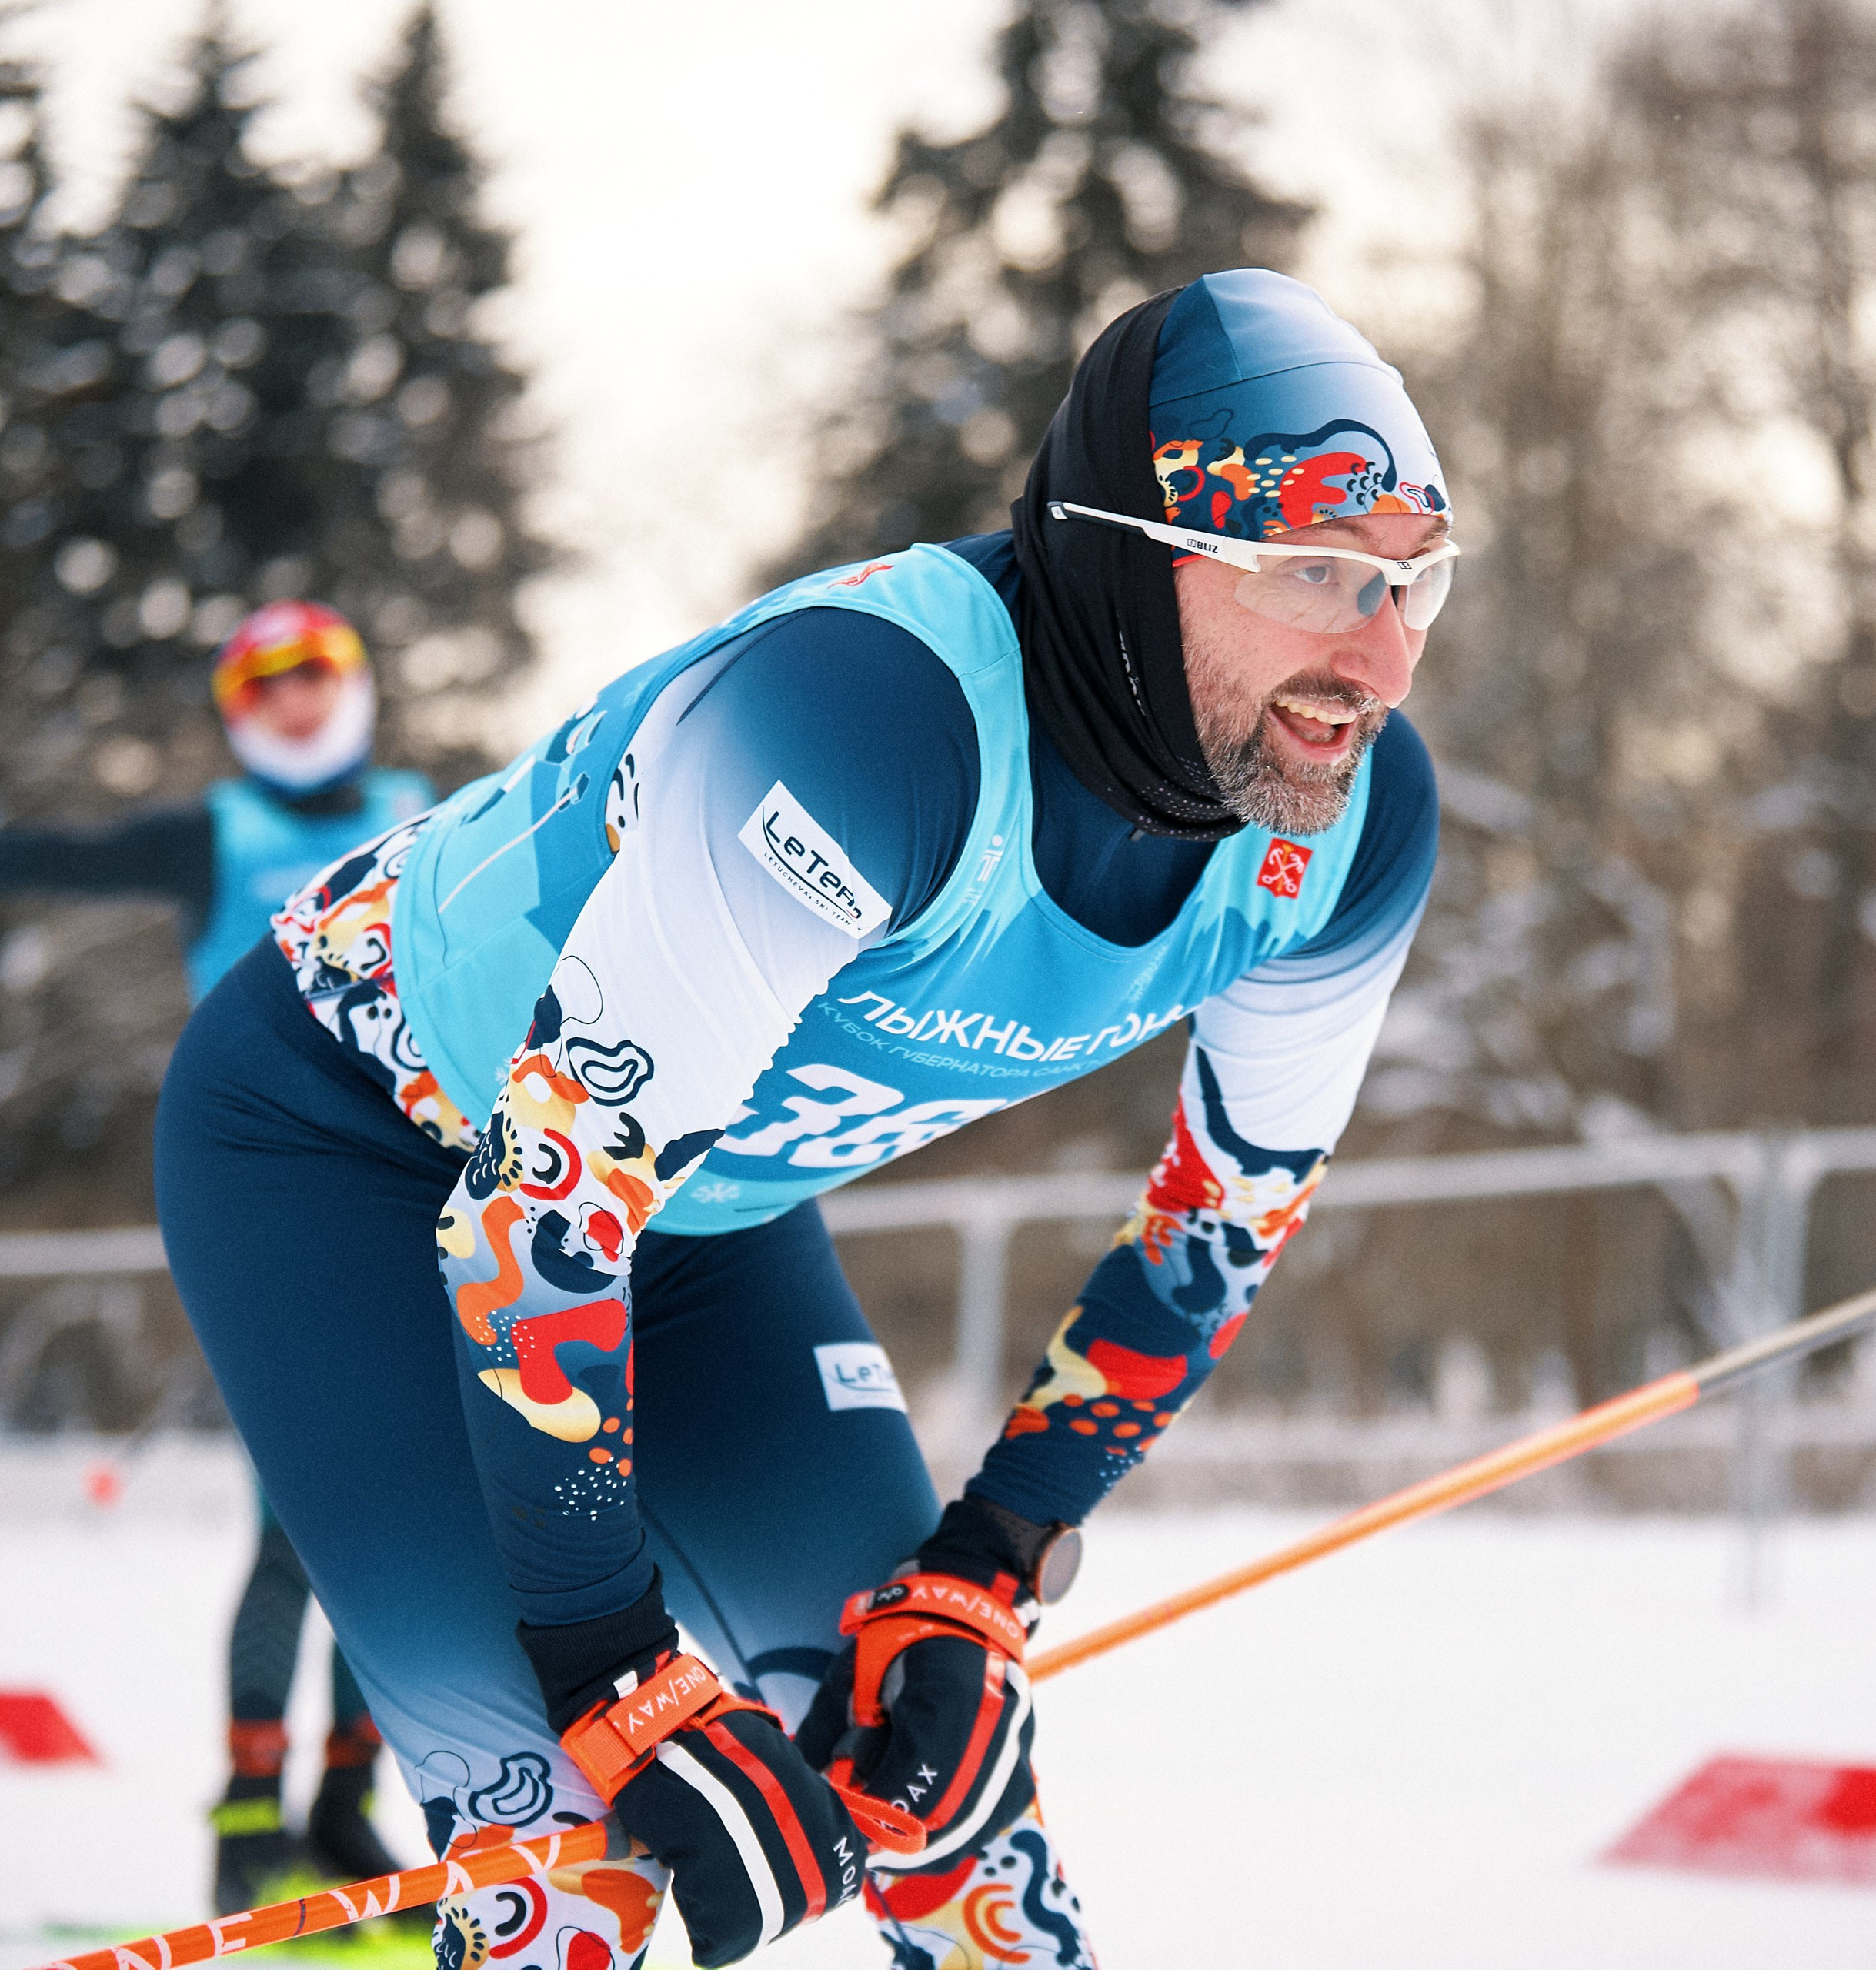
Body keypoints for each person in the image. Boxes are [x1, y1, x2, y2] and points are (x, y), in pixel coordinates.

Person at [154, 269, 1452, 1968]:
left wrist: (988, 1562)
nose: (1380, 654)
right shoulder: (861, 724)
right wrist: (615, 1670)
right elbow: (536, 1210)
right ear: (1131, 552)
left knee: (950, 1809)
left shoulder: (1347, 825)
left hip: (691, 1217)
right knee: (573, 1874)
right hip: (346, 1153)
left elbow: (1223, 1221)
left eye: (1414, 578)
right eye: (1317, 569)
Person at [0, 602, 432, 1912]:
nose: (293, 701)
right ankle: (247, 1823)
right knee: (299, 1528)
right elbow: (56, 856)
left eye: (313, 675)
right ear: (238, 715)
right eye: (261, 685)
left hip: (414, 1201)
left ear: (354, 686)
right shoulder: (214, 836)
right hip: (274, 1204)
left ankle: (346, 1809)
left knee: (408, 1530)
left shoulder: (424, 814)